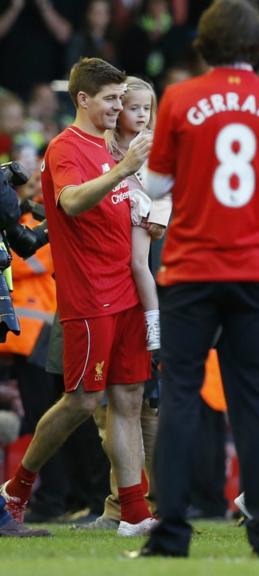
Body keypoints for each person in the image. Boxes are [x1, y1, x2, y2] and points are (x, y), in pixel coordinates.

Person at [136, 0, 259, 559]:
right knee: (258, 402)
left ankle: (171, 536)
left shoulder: (183, 98)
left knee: (181, 398)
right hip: (257, 271)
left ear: (204, 43)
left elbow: (157, 183)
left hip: (191, 269)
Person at [0, 57, 155, 538]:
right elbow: (69, 201)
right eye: (110, 99)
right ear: (83, 99)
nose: (118, 106)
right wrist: (125, 169)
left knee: (128, 398)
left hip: (127, 290)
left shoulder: (111, 148)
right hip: (89, 294)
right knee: (82, 402)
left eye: (121, 98)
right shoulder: (66, 147)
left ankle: (134, 513)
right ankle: (17, 490)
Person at [107, 77, 169, 352]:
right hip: (113, 210)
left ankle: (153, 321)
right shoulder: (106, 143)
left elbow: (165, 184)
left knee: (139, 264)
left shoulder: (153, 142)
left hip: (141, 210)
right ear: (119, 109)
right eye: (134, 108)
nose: (142, 114)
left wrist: (159, 217)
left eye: (147, 108)